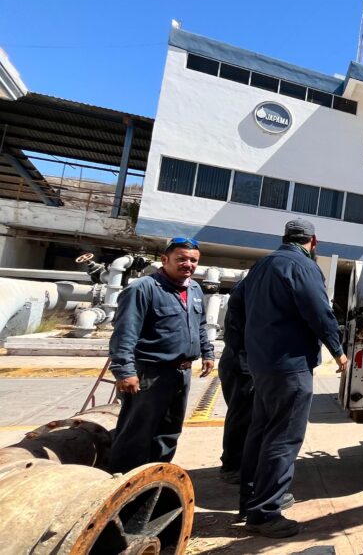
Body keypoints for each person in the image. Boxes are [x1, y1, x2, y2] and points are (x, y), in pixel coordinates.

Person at [228, 218, 349, 538]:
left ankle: (250, 501)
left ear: (285, 237)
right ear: (314, 241)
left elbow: (235, 308)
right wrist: (338, 350)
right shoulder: (303, 266)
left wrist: (242, 352)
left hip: (261, 365)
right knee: (283, 438)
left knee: (260, 432)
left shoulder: (261, 266)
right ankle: (266, 512)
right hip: (291, 366)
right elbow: (319, 312)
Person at [107, 237, 215, 473]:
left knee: (168, 433)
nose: (188, 264)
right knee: (136, 434)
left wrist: (207, 352)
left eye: (193, 260)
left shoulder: (194, 288)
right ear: (164, 260)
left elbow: (200, 324)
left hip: (181, 373)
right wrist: (124, 371)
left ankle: (155, 480)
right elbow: (124, 333)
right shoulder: (142, 289)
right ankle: (122, 487)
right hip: (150, 373)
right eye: (181, 259)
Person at [217, 280, 252, 485]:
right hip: (242, 363)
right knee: (242, 418)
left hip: (237, 360)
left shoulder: (244, 289)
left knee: (242, 416)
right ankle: (233, 466)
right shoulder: (250, 293)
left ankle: (235, 463)